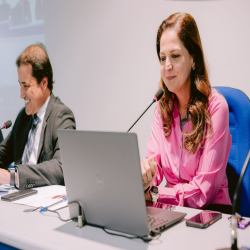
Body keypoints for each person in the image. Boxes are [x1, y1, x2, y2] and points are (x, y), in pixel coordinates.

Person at [141, 13, 232, 212]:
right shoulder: (162, 108)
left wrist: (156, 193)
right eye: (162, 58)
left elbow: (203, 192)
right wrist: (145, 178)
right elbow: (154, 168)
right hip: (171, 209)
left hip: (210, 213)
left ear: (193, 58)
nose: (167, 67)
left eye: (175, 56)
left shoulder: (216, 107)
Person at [0, 43, 76, 189]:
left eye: (26, 86)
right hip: (17, 198)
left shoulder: (61, 116)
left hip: (43, 206)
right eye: (20, 85)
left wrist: (13, 177)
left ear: (43, 82)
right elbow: (3, 153)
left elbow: (61, 167)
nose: (21, 94)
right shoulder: (23, 117)